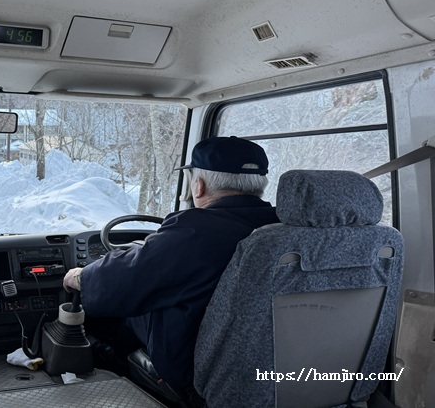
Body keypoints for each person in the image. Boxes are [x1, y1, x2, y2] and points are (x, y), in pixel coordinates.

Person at [63, 136, 279, 393]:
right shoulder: (282, 228)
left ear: (197, 186)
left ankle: (109, 363)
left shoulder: (196, 231)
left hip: (195, 367)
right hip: (268, 355)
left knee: (132, 303)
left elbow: (116, 284)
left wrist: (80, 276)